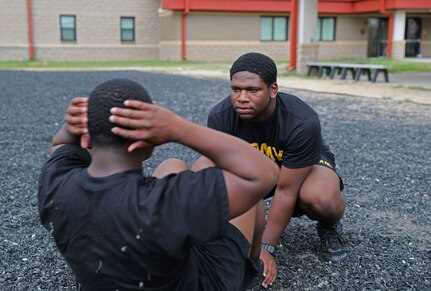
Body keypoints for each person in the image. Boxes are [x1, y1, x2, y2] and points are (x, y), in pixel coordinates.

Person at [37, 78, 279, 290]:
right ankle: (252, 267)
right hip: (200, 281)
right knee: (249, 199)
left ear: (86, 133)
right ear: (144, 140)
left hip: (121, 268)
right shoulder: (163, 204)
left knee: (173, 165)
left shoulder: (57, 184)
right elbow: (262, 173)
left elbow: (59, 147)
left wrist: (73, 126)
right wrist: (178, 128)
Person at [205, 52, 347, 288]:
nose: (241, 98)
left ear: (272, 90)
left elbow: (286, 190)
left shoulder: (301, 121)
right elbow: (226, 182)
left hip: (300, 166)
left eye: (252, 90)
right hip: (257, 170)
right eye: (235, 89)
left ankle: (329, 226)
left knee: (320, 198)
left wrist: (265, 249)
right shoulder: (221, 118)